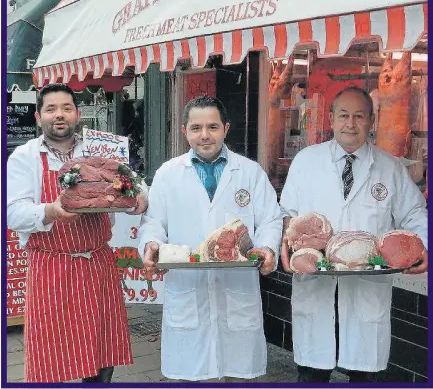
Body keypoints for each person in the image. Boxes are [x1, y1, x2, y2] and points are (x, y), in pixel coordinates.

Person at [279, 86, 428, 383]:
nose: (351, 123)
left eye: (359, 116)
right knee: (311, 374)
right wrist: (285, 243)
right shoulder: (306, 161)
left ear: (371, 121)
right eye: (344, 115)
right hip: (316, 283)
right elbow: (285, 214)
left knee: (366, 374)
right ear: (331, 119)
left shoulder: (390, 168)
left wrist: (424, 247)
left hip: (366, 288)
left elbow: (415, 214)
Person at [7, 84, 148, 383]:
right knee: (49, 355)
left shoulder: (99, 148)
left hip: (97, 264)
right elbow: (13, 213)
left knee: (102, 352)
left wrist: (139, 200)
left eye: (66, 108)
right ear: (38, 116)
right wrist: (51, 211)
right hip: (51, 266)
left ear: (78, 114)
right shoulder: (24, 157)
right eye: (51, 109)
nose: (59, 115)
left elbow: (135, 185)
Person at [138, 95, 282, 382]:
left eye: (213, 127)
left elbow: (271, 219)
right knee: (191, 376)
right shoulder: (168, 174)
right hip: (188, 290)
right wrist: (151, 245)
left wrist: (267, 248)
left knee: (239, 375)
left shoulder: (250, 172)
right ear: (184, 132)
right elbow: (153, 222)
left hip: (237, 286)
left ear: (226, 128)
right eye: (196, 128)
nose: (204, 135)